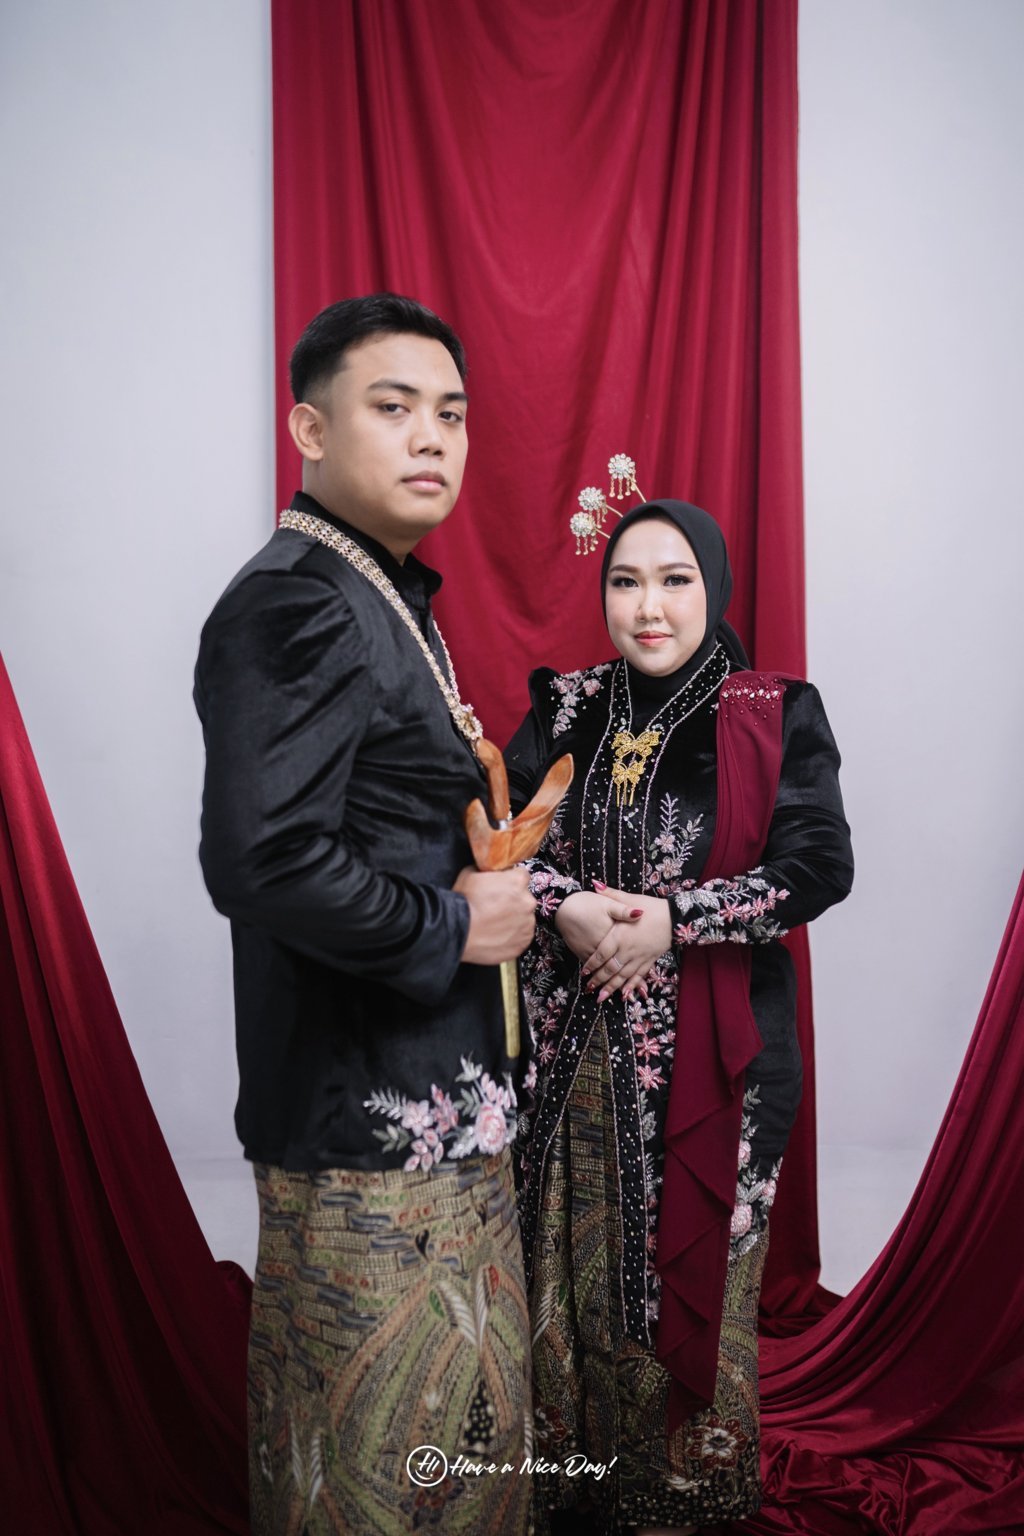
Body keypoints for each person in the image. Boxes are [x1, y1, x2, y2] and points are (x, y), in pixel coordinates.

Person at [194, 293, 536, 1536]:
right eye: (393, 408)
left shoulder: (377, 591)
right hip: (363, 1133)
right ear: (309, 429)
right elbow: (263, 860)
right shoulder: (298, 600)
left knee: (457, 1458)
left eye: (451, 412)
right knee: (375, 1472)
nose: (432, 436)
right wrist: (454, 930)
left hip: (435, 1108)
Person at [505, 499, 854, 1535]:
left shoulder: (772, 712)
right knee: (568, 1281)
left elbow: (818, 865)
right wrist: (563, 905)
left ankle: (677, 1502)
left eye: (673, 580)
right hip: (567, 1058)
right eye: (625, 582)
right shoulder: (566, 708)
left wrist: (673, 921)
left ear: (714, 586)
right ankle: (573, 1494)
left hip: (715, 1064)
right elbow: (489, 839)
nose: (647, 607)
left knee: (686, 1287)